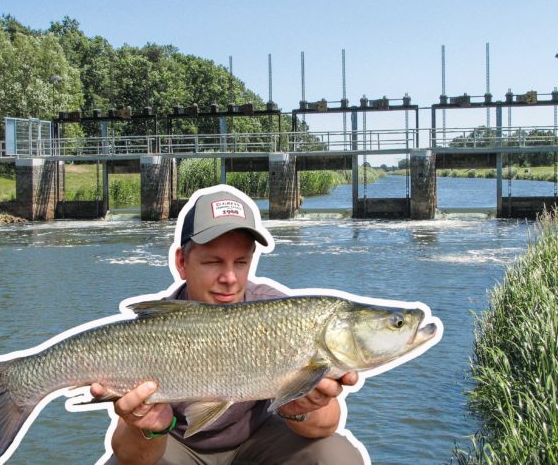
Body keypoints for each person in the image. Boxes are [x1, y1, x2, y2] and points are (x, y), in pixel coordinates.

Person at [92, 186, 365, 465]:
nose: (230, 278)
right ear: (181, 263)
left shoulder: (281, 314)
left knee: (337, 456)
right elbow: (129, 454)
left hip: (257, 440)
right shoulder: (153, 329)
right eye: (213, 262)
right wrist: (148, 427)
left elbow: (325, 424)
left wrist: (297, 408)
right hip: (176, 442)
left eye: (241, 262)